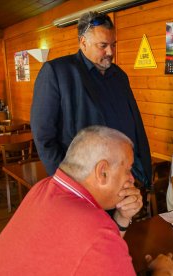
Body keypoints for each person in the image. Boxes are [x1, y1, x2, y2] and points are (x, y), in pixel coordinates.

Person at [0, 126, 173, 275]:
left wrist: (122, 218)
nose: (132, 179)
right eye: (128, 169)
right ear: (102, 172)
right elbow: (96, 240)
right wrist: (161, 271)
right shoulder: (97, 232)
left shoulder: (43, 188)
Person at [30, 11, 151, 190]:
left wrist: (143, 169)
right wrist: (65, 182)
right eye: (103, 45)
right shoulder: (58, 72)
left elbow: (135, 124)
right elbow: (44, 136)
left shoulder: (119, 76)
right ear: (83, 42)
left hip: (123, 177)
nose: (110, 52)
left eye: (113, 45)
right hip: (83, 182)